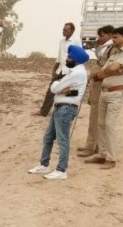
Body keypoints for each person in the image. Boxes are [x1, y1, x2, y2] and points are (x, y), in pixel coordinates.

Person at [27, 44, 89, 180]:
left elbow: (54, 88)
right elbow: (75, 92)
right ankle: (44, 165)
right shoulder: (75, 72)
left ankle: (61, 170)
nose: (66, 59)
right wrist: (62, 89)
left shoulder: (77, 73)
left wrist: (59, 87)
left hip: (66, 109)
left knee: (62, 140)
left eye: (68, 57)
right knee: (48, 137)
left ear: (75, 58)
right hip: (61, 107)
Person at [84, 27, 123, 170]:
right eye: (112, 37)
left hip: (116, 93)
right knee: (101, 123)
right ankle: (102, 154)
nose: (113, 40)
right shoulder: (114, 52)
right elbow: (102, 72)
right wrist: (112, 71)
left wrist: (111, 70)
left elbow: (112, 68)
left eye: (116, 37)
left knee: (109, 125)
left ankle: (112, 158)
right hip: (104, 91)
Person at [77, 26, 115, 158]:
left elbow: (102, 66)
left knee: (95, 117)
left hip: (101, 84)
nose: (100, 38)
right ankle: (95, 145)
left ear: (110, 35)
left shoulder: (111, 49)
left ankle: (91, 146)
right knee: (96, 116)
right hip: (98, 84)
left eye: (102, 35)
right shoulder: (106, 48)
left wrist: (93, 76)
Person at [35, 23, 81, 117]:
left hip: (70, 70)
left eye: (65, 30)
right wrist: (54, 68)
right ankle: (43, 111)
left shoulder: (76, 40)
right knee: (51, 89)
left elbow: (79, 56)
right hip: (61, 69)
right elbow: (59, 56)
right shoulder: (61, 41)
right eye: (63, 29)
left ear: (71, 31)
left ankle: (73, 111)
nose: (63, 31)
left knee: (70, 91)